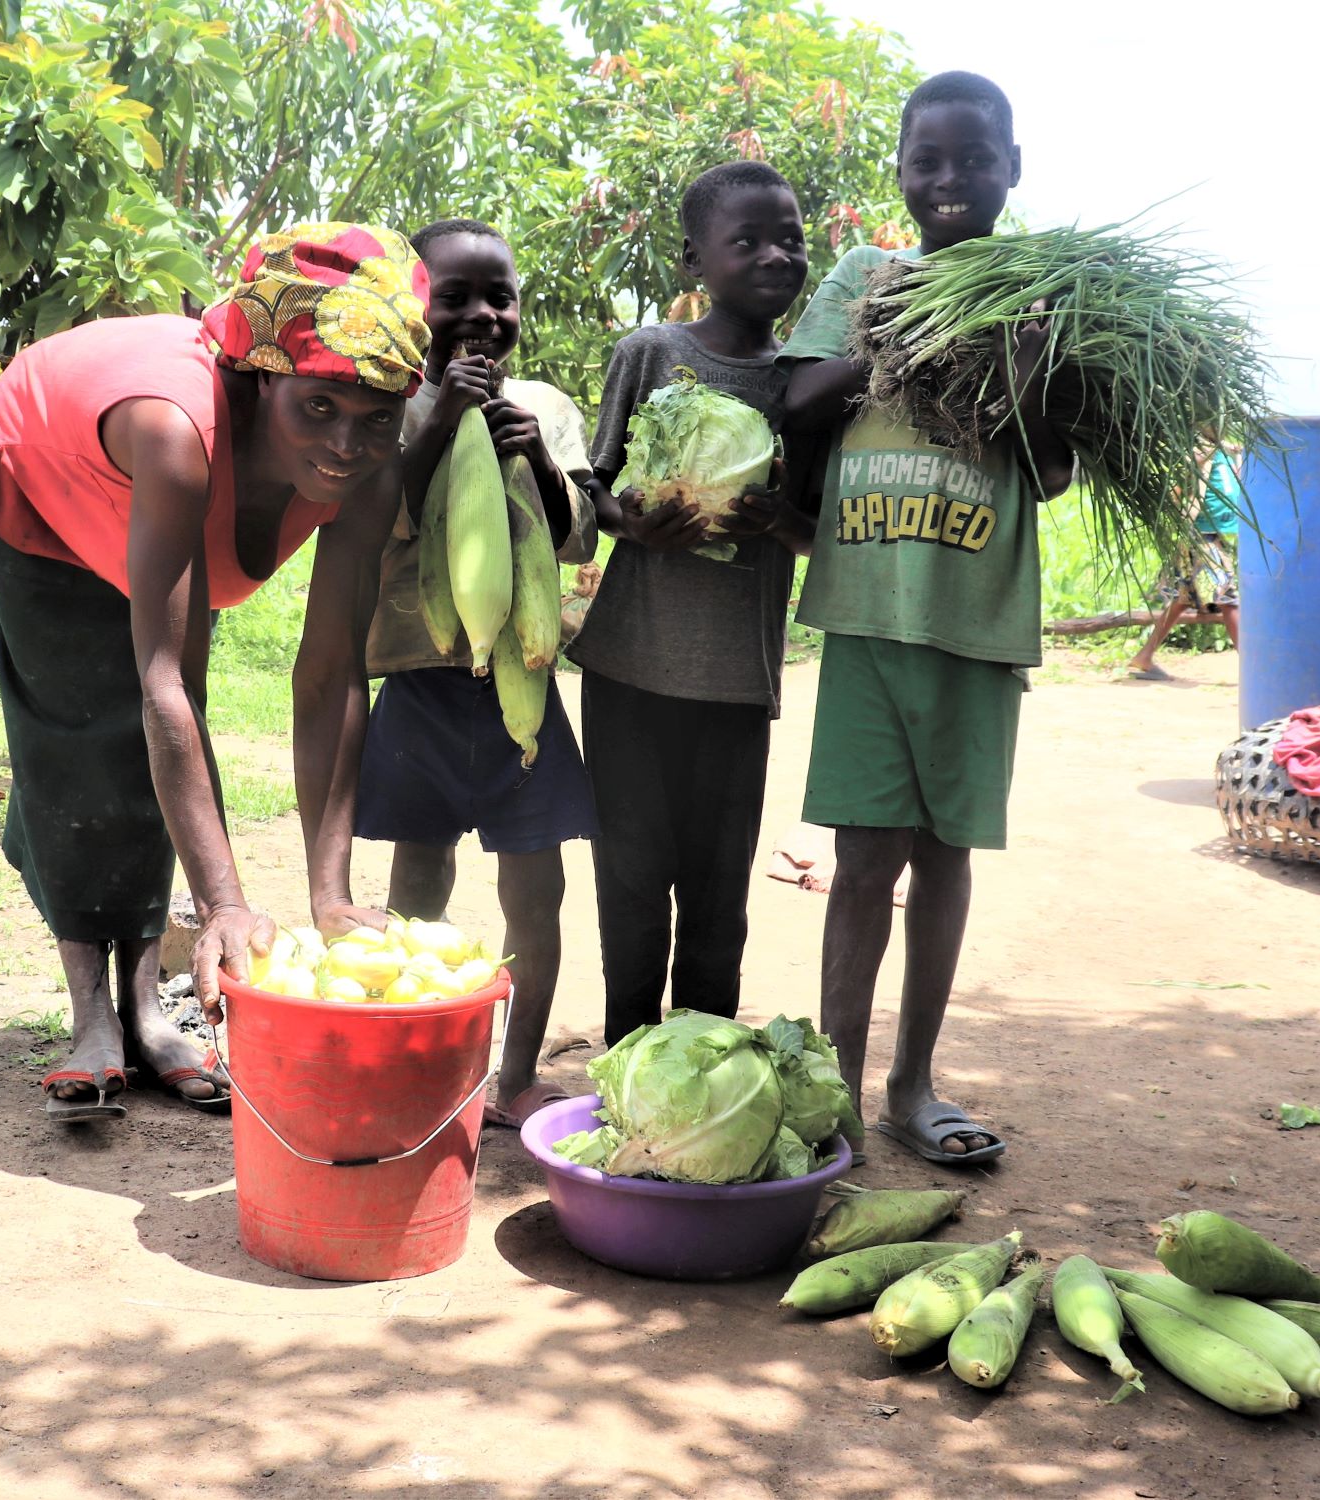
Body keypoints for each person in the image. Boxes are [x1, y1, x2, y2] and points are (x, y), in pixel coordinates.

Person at [0, 223, 430, 1123]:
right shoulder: (180, 433)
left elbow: (334, 674)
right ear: (260, 382)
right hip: (55, 484)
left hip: (180, 504)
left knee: (177, 740)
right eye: (319, 408)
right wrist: (225, 904)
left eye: (378, 418)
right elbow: (160, 686)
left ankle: (145, 1008)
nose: (346, 443)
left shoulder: (371, 467)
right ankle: (93, 1016)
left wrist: (327, 893)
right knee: (79, 732)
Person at [782, 72, 1078, 1167]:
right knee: (864, 860)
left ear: (1013, 166)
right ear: (901, 169)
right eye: (928, 160)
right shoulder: (869, 275)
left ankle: (913, 1086)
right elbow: (797, 399)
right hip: (866, 603)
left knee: (946, 854)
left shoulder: (1045, 286)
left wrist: (1030, 365)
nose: (951, 180)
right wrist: (886, 343)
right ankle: (835, 1092)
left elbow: (1050, 471)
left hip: (977, 615)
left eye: (975, 158)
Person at [355, 219, 600, 1128]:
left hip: (520, 691)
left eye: (500, 298)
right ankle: (414, 1052)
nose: (482, 317)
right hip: (420, 685)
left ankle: (519, 1072)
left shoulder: (548, 407)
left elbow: (577, 537)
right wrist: (444, 420)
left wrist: (533, 449)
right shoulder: (388, 407)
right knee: (418, 883)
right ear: (413, 307)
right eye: (453, 299)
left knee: (538, 892)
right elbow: (385, 522)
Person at [569, 160, 814, 1046]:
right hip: (630, 671)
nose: (773, 255)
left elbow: (816, 532)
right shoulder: (652, 354)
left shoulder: (804, 383)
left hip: (738, 685)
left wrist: (778, 516)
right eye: (745, 241)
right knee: (630, 883)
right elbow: (592, 489)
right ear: (693, 260)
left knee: (721, 895)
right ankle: (626, 1061)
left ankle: (706, 1062)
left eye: (788, 236)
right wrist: (632, 525)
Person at [1128, 441, 1243, 680]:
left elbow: (1237, 484)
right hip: (1200, 536)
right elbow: (1185, 477)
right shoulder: (1199, 448)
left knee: (1183, 599)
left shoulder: (1225, 452)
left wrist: (1237, 455)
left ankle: (1145, 656)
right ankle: (1254, 667)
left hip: (1214, 534)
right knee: (1227, 596)